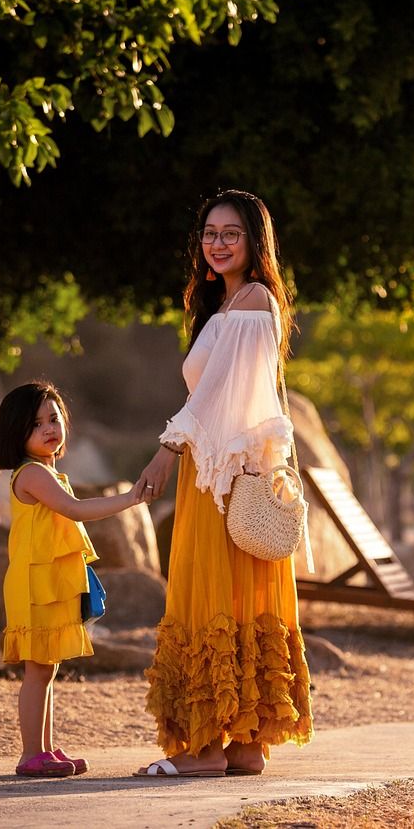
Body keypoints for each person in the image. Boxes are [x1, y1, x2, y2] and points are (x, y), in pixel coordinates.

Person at [133, 189, 313, 778]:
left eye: (231, 233)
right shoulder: (228, 304)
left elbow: (213, 397)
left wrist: (166, 451)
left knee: (208, 594)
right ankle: (243, 747)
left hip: (222, 479)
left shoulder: (254, 300)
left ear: (255, 241)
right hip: (228, 472)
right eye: (210, 233)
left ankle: (205, 749)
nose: (217, 243)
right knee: (234, 598)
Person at [0, 380, 146, 778]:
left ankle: (43, 749)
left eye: (54, 418)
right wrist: (129, 498)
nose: (49, 428)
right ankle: (30, 754)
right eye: (36, 423)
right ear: (16, 433)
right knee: (37, 669)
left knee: (48, 668)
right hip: (34, 584)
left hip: (49, 581)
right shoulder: (30, 475)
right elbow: (75, 511)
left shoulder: (48, 472)